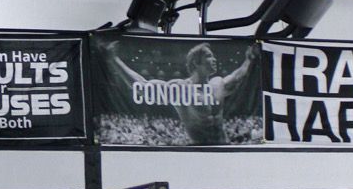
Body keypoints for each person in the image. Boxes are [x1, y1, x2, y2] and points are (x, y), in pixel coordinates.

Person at [109, 38, 260, 145]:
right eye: (209, 56)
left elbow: (239, 76)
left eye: (213, 56)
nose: (214, 60)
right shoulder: (180, 88)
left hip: (224, 146)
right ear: (196, 62)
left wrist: (249, 59)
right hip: (196, 151)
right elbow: (142, 86)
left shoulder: (217, 84)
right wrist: (114, 59)